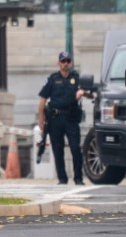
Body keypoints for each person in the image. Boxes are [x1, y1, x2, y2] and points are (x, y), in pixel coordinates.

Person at [36, 51, 91, 185]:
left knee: (75, 148)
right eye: (63, 61)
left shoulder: (76, 78)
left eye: (68, 61)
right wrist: (41, 119)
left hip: (71, 118)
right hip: (55, 119)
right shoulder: (52, 79)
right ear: (58, 63)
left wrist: (82, 92)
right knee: (57, 149)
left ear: (71, 63)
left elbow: (91, 94)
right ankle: (62, 179)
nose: (65, 64)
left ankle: (78, 178)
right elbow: (42, 100)